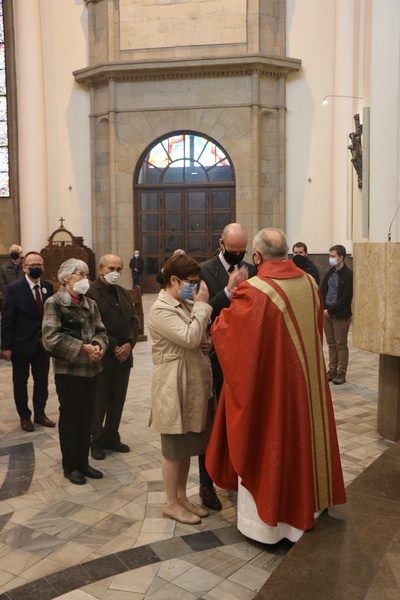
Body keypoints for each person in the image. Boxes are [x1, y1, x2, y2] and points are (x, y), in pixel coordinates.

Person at [206, 228, 346, 544]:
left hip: (273, 392)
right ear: (286, 252)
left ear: (257, 257)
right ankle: (305, 512)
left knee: (271, 441)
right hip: (307, 387)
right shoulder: (310, 283)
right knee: (303, 441)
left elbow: (227, 334)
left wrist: (214, 321)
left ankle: (268, 528)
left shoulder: (255, 290)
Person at [148, 253, 213, 525]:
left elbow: (197, 337)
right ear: (173, 280)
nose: (194, 287)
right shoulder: (161, 309)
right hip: (173, 386)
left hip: (191, 383)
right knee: (173, 449)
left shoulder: (182, 303)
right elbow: (188, 337)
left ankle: (182, 497)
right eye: (191, 282)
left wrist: (206, 342)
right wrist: (201, 307)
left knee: (186, 447)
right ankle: (171, 503)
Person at [198, 222, 256, 510]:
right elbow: (198, 310)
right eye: (232, 251)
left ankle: (238, 476)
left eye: (241, 251)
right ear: (221, 243)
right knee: (212, 422)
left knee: (240, 421)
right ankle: (206, 485)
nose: (237, 256)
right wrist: (228, 291)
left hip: (243, 357)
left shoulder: (252, 270)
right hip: (214, 358)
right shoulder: (204, 270)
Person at [42, 259, 109, 485]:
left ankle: (83, 462)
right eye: (80, 274)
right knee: (71, 420)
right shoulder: (55, 303)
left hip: (92, 370)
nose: (85, 279)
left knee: (86, 418)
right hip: (69, 371)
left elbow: (101, 330)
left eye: (86, 274)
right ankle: (70, 466)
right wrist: (83, 347)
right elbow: (50, 339)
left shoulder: (91, 303)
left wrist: (99, 346)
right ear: (66, 278)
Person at [86, 254, 139, 460]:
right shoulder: (91, 293)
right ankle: (96, 441)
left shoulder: (124, 293)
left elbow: (133, 322)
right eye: (111, 269)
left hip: (124, 357)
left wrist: (129, 344)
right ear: (100, 269)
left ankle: (112, 436)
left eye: (119, 269)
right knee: (99, 402)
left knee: (118, 400)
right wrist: (116, 346)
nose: (115, 273)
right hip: (104, 356)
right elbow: (92, 324)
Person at [1, 251, 55, 432]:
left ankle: (40, 414)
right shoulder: (14, 288)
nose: (36, 268)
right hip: (21, 344)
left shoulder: (48, 287)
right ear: (25, 267)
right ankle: (25, 416)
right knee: (20, 382)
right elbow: (7, 319)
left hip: (42, 345)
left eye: (39, 265)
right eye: (32, 265)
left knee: (42, 381)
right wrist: (6, 347)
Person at [320, 244, 353, 385]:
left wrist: (331, 311)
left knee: (341, 344)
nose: (330, 259)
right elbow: (322, 291)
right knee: (331, 343)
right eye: (330, 256)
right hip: (326, 314)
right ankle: (332, 369)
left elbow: (346, 298)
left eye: (333, 256)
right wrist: (322, 308)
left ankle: (341, 372)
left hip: (340, 315)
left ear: (341, 257)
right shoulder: (329, 273)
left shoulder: (348, 274)